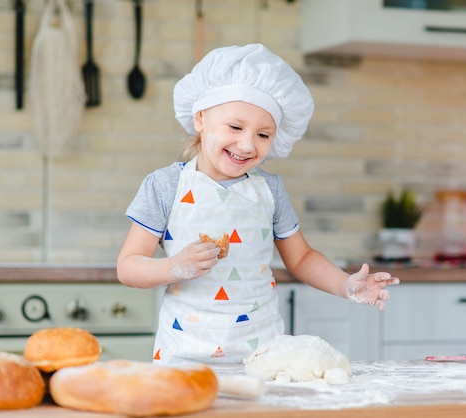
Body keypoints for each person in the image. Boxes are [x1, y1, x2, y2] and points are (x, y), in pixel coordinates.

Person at [117, 44, 400, 365]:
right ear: (200, 119)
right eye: (235, 127)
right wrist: (172, 267)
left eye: (264, 135)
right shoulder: (166, 185)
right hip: (184, 353)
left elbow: (302, 258)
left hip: (262, 353)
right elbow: (128, 266)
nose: (247, 144)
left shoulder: (270, 189)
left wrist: (345, 284)